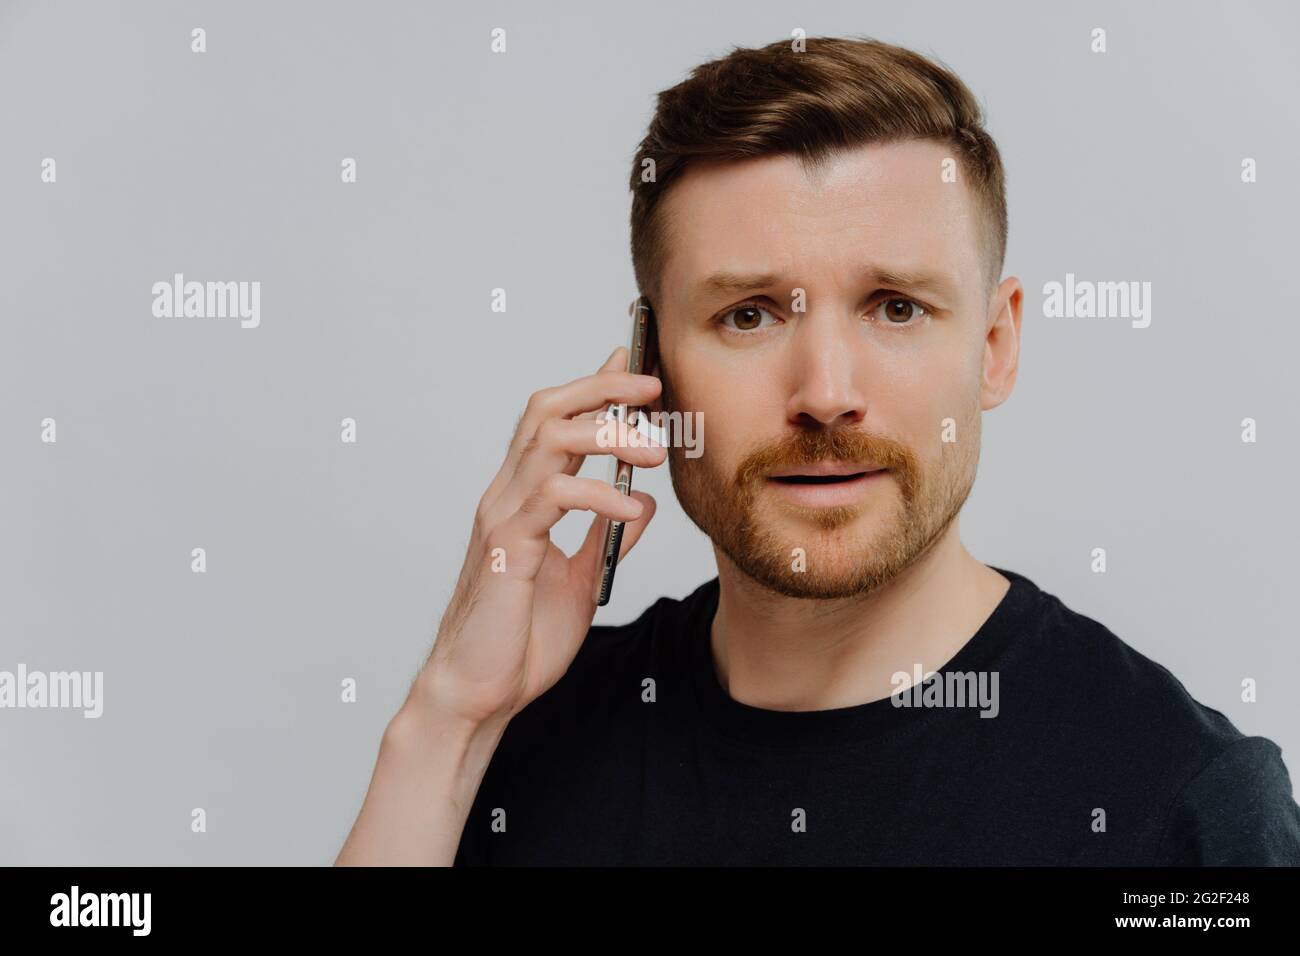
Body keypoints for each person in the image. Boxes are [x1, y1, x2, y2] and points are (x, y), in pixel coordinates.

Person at [335, 35, 1300, 866]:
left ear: (995, 348)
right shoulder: (513, 741)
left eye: (896, 308)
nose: (826, 394)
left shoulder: (1185, 804)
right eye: (747, 314)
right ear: (650, 367)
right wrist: (448, 720)